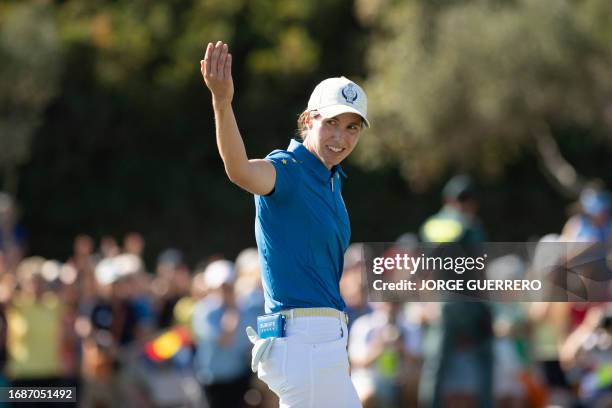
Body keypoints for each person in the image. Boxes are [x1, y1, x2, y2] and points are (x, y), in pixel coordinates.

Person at [200, 40, 368, 407]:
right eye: (333, 123)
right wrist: (222, 103)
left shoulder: (332, 180)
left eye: (353, 128)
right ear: (309, 119)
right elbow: (240, 170)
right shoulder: (288, 170)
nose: (341, 137)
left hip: (320, 343)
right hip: (304, 342)